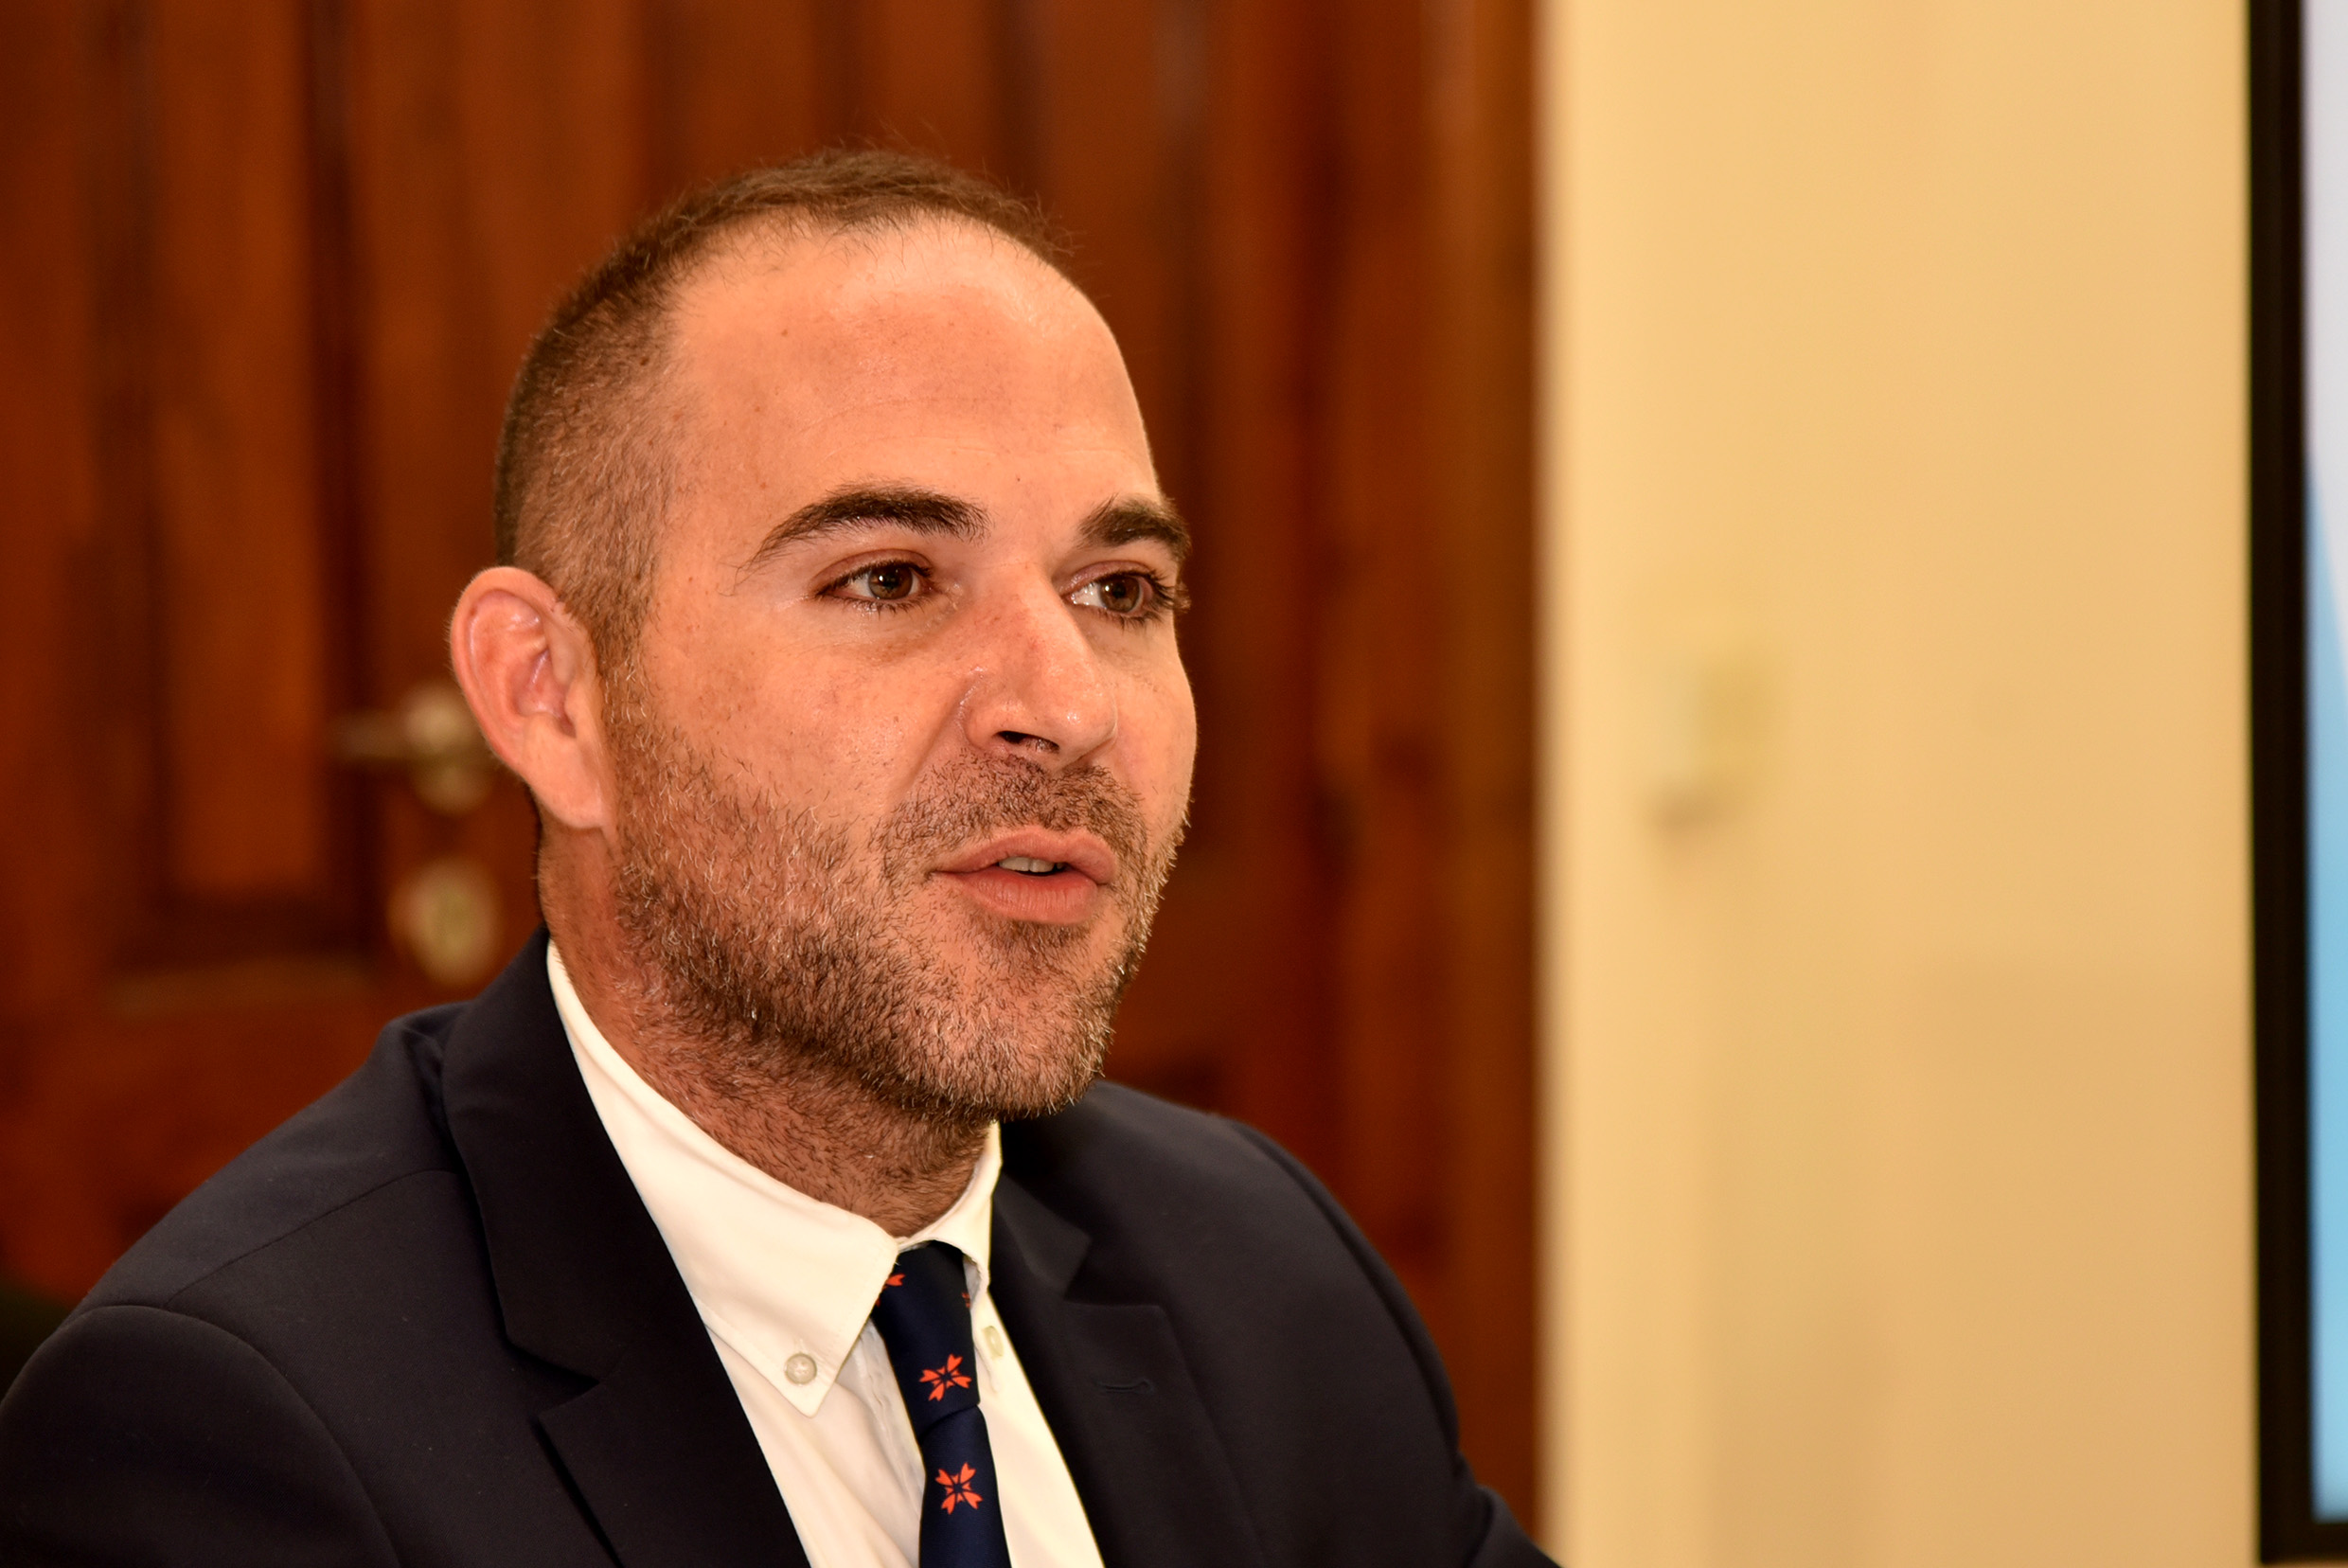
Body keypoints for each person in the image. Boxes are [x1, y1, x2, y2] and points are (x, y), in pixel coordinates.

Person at [0, 151, 1549, 1568]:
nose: (1067, 704)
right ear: (553, 700)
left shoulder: (1264, 1270)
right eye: (889, 579)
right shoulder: (237, 1438)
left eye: (1120, 590)